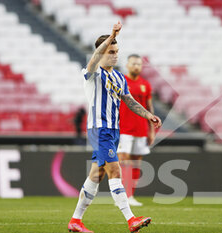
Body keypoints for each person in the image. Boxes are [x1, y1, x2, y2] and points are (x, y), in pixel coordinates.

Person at [68, 21, 162, 233]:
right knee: (115, 169)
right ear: (102, 52)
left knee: (96, 175)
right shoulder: (92, 73)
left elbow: (128, 101)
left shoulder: (119, 77)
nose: (115, 55)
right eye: (111, 51)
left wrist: (148, 115)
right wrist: (111, 35)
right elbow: (93, 60)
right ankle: (130, 219)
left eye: (117, 51)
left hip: (113, 130)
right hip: (99, 129)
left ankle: (76, 221)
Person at [118, 54, 154, 206]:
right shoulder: (121, 82)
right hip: (124, 128)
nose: (136, 66)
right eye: (133, 63)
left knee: (136, 163)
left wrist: (151, 130)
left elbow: (149, 107)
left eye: (139, 64)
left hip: (141, 129)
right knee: (123, 162)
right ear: (127, 65)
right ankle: (122, 196)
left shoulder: (145, 84)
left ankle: (130, 196)